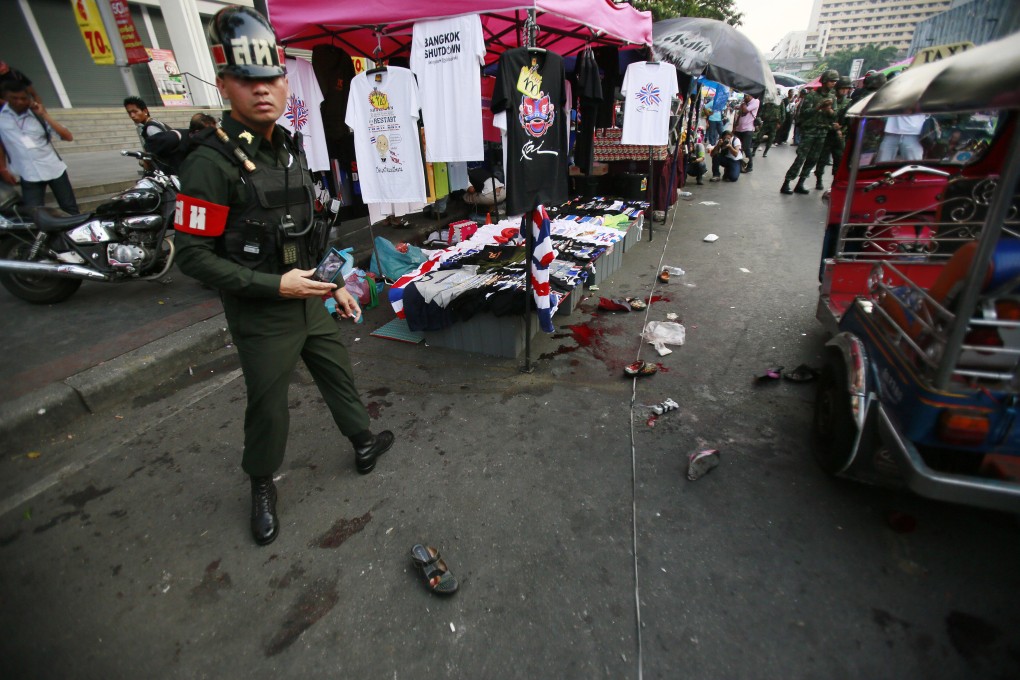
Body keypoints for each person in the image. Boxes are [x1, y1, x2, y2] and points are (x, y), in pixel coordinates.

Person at [173, 6, 394, 547]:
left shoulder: (290, 146)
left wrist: (333, 283)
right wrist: (277, 286)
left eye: (271, 77)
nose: (263, 89)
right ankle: (262, 485)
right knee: (268, 407)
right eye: (248, 80)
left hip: (308, 298)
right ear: (226, 85)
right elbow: (193, 257)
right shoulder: (208, 163)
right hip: (262, 311)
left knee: (337, 372)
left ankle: (363, 441)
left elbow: (309, 231)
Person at [0, 81, 78, 213]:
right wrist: (2, 168)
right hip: (28, 173)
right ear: (6, 99)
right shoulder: (2, 119)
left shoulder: (37, 116)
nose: (19, 102)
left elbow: (67, 136)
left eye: (23, 98)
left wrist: (44, 115)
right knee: (34, 213)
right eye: (15, 98)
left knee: (69, 208)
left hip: (54, 169)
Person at [781, 70, 839, 195]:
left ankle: (801, 183)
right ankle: (787, 182)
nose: (833, 84)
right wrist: (818, 107)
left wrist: (828, 109)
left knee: (813, 159)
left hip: (822, 132)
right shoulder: (811, 96)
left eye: (835, 81)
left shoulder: (833, 97)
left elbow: (834, 116)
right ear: (824, 81)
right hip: (809, 131)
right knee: (801, 158)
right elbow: (804, 113)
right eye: (831, 81)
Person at [813, 75, 853, 189]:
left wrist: (841, 128)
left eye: (847, 88)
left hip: (839, 136)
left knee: (839, 161)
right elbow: (822, 116)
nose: (845, 91)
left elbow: (848, 120)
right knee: (822, 159)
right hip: (827, 133)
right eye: (843, 88)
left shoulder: (849, 102)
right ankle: (819, 179)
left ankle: (835, 182)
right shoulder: (830, 99)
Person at [124, 96, 181, 173]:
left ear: (145, 111)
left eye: (135, 111)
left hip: (170, 169)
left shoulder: (151, 128)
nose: (132, 116)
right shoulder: (154, 122)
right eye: (129, 113)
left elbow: (160, 150)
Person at [756, 89, 786, 158]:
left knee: (771, 138)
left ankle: (765, 152)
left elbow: (783, 114)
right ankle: (754, 150)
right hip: (766, 122)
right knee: (759, 136)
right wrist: (760, 120)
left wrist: (780, 123)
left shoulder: (781, 102)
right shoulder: (768, 101)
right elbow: (762, 111)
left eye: (777, 94)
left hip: (774, 123)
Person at [733, 92, 758, 172]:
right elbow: (740, 114)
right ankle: (739, 165)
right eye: (745, 95)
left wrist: (743, 103)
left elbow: (744, 110)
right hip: (739, 128)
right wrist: (735, 126)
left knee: (746, 148)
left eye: (747, 95)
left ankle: (750, 166)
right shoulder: (744, 103)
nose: (745, 97)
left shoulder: (755, 101)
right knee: (737, 147)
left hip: (748, 129)